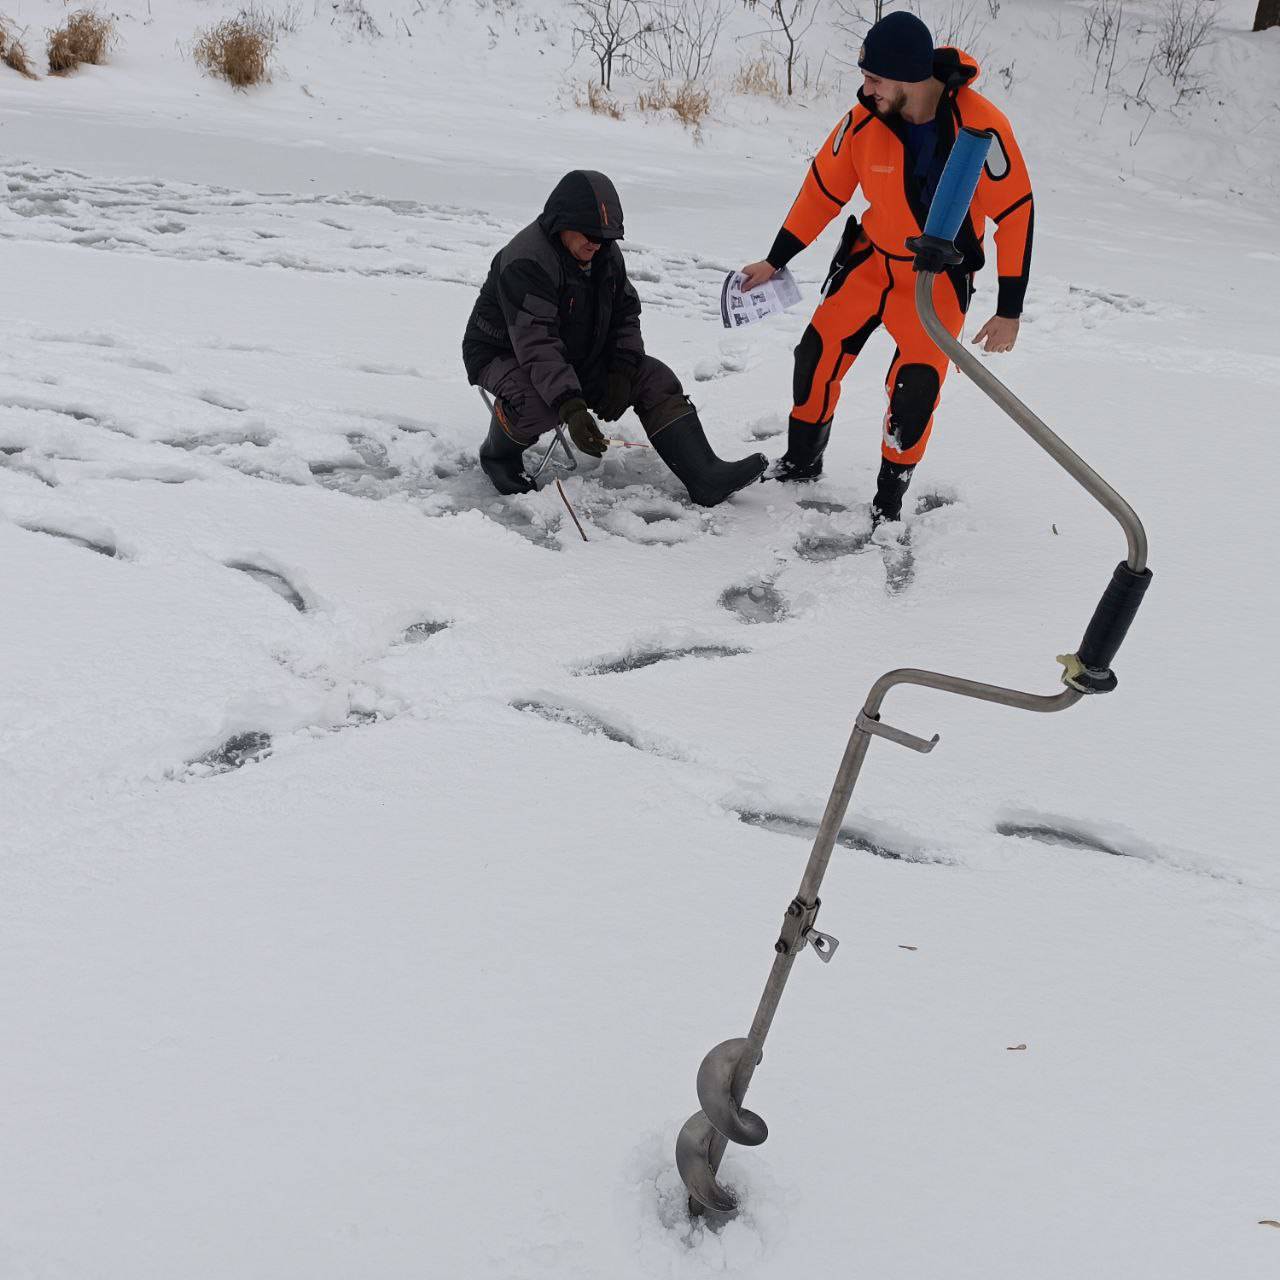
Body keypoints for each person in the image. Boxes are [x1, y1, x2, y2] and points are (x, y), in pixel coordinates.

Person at [738, 10, 1034, 522]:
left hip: (935, 282)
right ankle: (802, 460)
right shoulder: (862, 121)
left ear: (907, 76)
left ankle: (888, 501)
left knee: (915, 388)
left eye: (875, 79)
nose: (865, 88)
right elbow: (822, 192)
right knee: (815, 355)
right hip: (869, 263)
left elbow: (1016, 212)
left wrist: (1010, 309)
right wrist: (775, 258)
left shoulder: (981, 126)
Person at [463, 170, 767, 506]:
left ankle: (705, 475)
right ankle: (498, 457)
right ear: (561, 222)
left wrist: (622, 370)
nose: (596, 243)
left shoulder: (603, 253)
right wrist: (572, 405)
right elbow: (536, 343)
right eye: (590, 234)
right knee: (538, 402)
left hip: (574, 352)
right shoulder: (527, 260)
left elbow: (625, 313)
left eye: (606, 237)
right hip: (502, 352)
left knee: (654, 378)